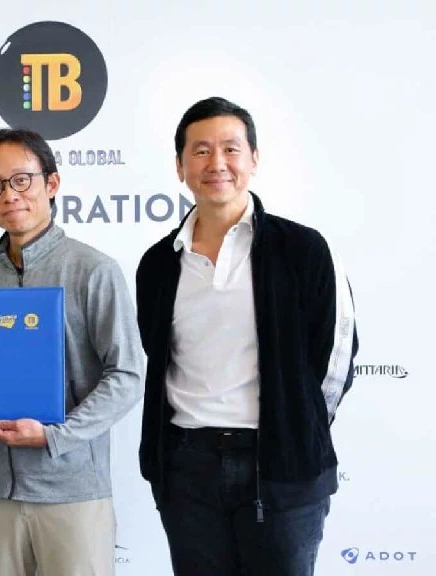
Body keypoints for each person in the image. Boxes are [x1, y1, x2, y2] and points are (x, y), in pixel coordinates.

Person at [135, 96, 358, 575]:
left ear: (254, 159)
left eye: (231, 149)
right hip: (187, 469)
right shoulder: (157, 264)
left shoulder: (303, 249)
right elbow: (158, 354)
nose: (216, 163)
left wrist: (297, 429)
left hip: (281, 469)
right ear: (180, 166)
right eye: (200, 151)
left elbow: (335, 357)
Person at [0, 128, 145, 576]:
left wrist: (57, 435)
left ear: (51, 183)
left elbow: (127, 376)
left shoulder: (94, 271)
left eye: (21, 180)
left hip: (72, 491)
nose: (9, 194)